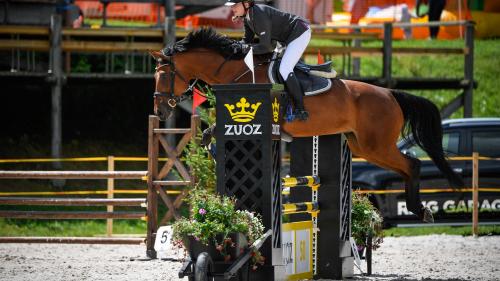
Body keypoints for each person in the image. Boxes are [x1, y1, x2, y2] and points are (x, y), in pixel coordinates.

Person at [225, 0, 311, 121]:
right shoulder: (248, 17)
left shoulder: (259, 14)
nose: (232, 8)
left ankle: (301, 109)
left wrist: (244, 48)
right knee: (274, 67)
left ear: (246, 3)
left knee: (284, 68)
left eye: (235, 5)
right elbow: (246, 41)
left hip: (299, 32)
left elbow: (266, 47)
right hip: (286, 38)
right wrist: (233, 45)